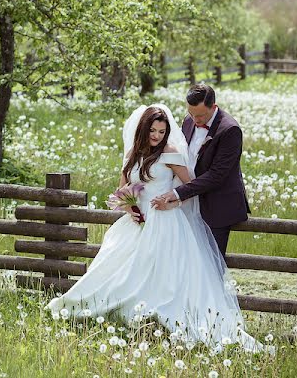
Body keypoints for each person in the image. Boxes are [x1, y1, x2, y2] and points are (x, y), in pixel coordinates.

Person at [46, 103, 260, 351]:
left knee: (161, 272)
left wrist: (173, 201)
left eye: (161, 131)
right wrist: (129, 207)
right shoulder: (132, 155)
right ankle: (112, 311)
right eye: (153, 131)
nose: (157, 136)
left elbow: (190, 188)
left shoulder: (170, 153)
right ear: (143, 130)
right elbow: (122, 190)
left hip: (165, 221)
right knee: (119, 268)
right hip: (136, 222)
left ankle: (155, 317)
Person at [150, 84, 251, 258]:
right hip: (188, 204)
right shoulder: (188, 120)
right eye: (191, 113)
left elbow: (216, 176)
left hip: (217, 206)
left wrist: (177, 193)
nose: (195, 119)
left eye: (201, 115)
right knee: (186, 261)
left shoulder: (230, 130)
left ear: (214, 106)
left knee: (211, 264)